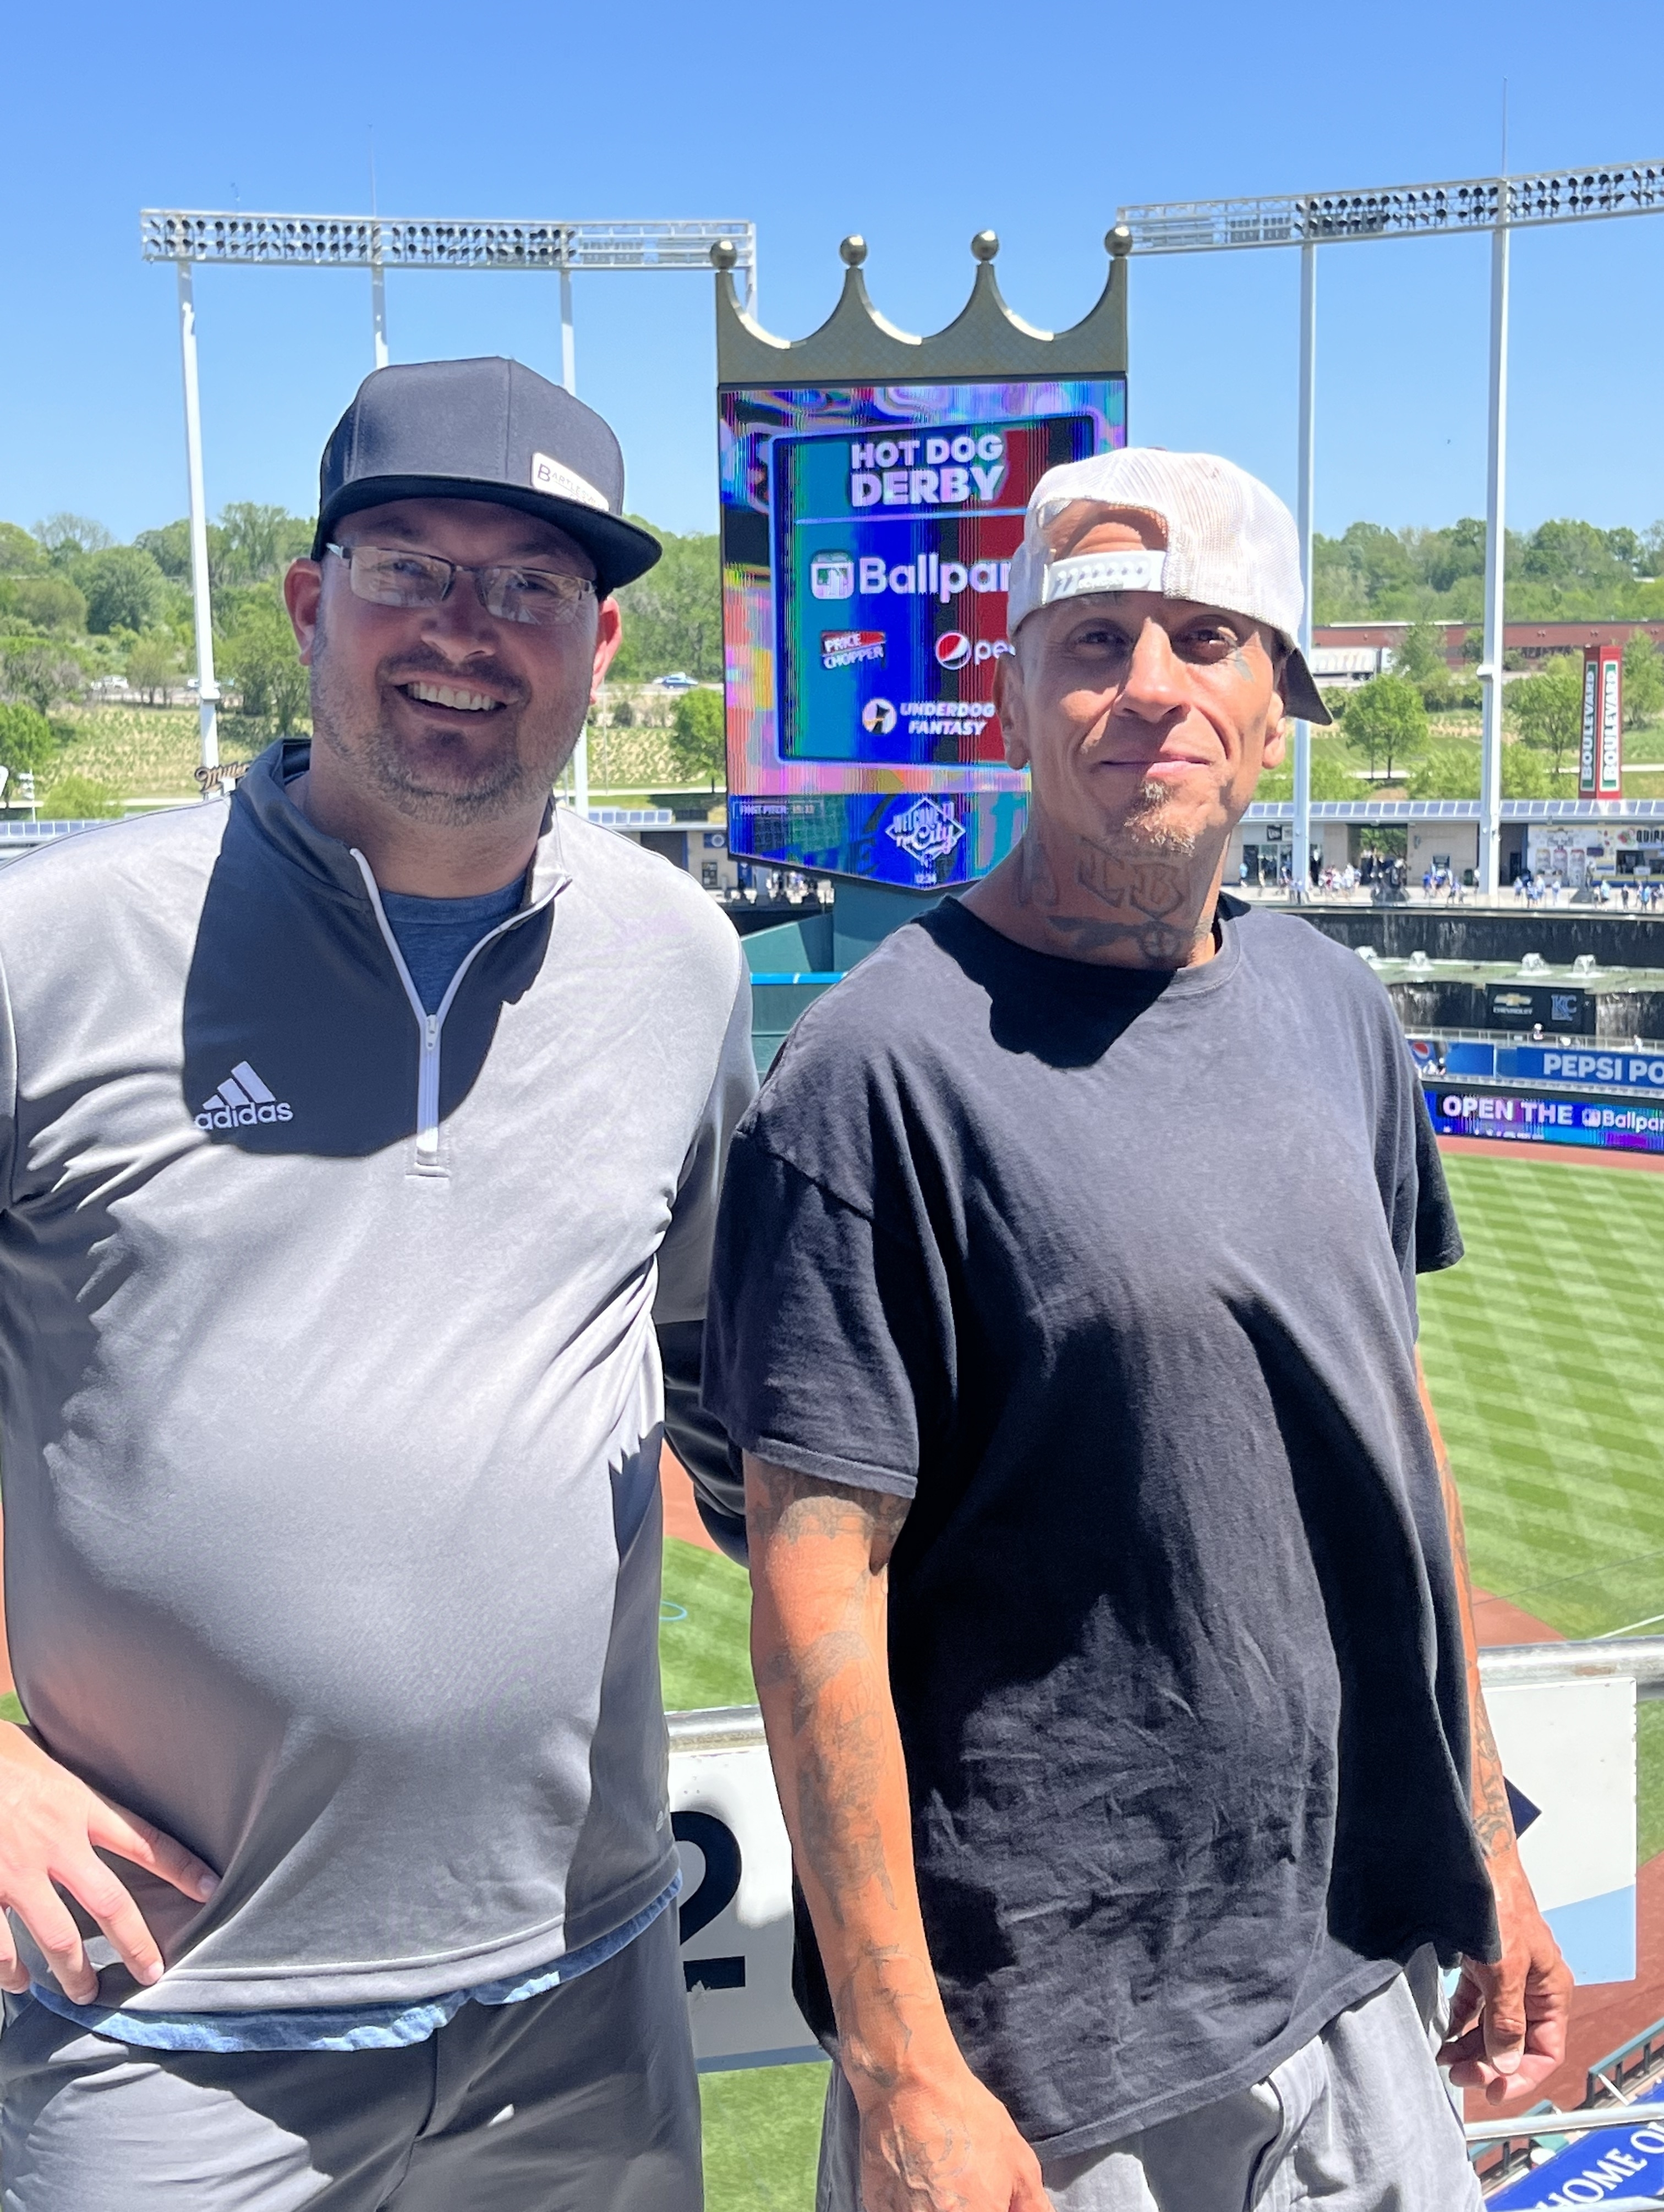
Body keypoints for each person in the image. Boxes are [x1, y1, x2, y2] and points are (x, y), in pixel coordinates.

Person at [703, 449, 1570, 2212]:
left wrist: (1488, 1839)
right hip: (1054, 2056)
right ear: (1015, 697)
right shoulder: (877, 1068)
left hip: (1354, 1967)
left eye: (1207, 638)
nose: (1148, 688)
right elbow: (814, 1584)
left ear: (1279, 707)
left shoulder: (1335, 1004)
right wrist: (901, 2071)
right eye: (1092, 641)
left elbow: (1395, 1443)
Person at [0, 357, 754, 2208]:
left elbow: (739, 1387)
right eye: (411, 567)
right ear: (308, 598)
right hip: (154, 2018)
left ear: (600, 641)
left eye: (532, 589)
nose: (466, 635)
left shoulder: (682, 963)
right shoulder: (53, 945)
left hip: (579, 2013)